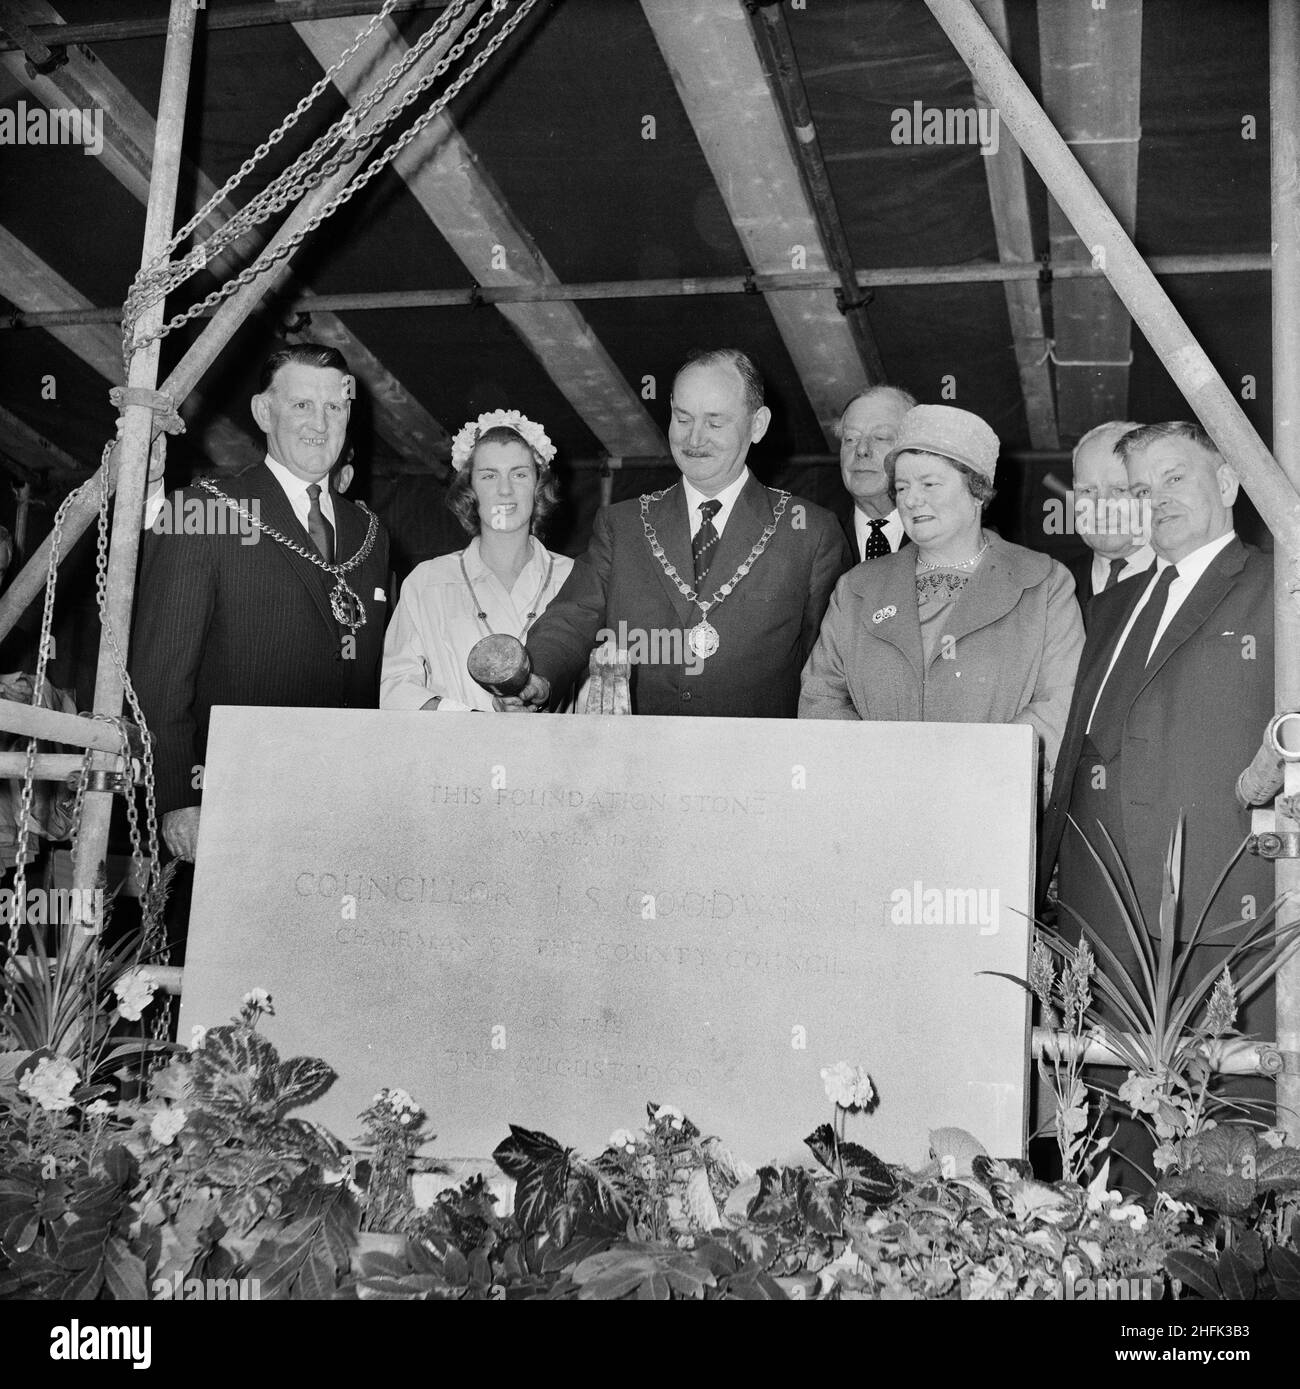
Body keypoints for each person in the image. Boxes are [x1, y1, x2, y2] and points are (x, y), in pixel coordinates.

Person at [1040, 421, 1275, 1187]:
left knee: (1225, 1171)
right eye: (1142, 489)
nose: (1156, 500)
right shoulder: (1108, 607)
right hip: (1098, 935)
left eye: (1175, 477)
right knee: (1113, 1170)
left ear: (1230, 482)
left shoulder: (1280, 587)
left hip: (1218, 927)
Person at [132, 342, 391, 862]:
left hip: (343, 804)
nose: (320, 422)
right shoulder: (201, 510)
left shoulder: (371, 530)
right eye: (301, 405)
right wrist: (178, 799)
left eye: (334, 406)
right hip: (232, 798)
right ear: (263, 412)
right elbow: (160, 672)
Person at [504, 348, 850, 717]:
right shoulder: (623, 526)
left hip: (757, 762)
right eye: (683, 418)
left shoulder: (810, 531)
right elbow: (571, 619)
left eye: (715, 423)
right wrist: (536, 678)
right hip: (646, 759)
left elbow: (828, 666)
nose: (694, 439)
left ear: (758, 424)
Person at [799, 404, 1085, 800]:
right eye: (901, 487)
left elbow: (1059, 704)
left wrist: (966, 775)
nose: (911, 500)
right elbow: (821, 696)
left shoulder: (1043, 584)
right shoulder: (857, 588)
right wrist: (877, 773)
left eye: (929, 485)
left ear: (977, 491)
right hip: (875, 804)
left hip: (992, 807)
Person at [380, 411, 579, 712]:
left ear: (539, 485)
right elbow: (393, 689)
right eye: (489, 475)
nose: (504, 490)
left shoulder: (576, 579)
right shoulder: (427, 581)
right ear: (469, 489)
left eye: (519, 474)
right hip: (457, 753)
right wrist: (471, 722)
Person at [1065, 421, 1153, 626]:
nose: (1100, 507)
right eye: (1087, 491)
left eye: (1120, 490)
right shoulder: (1056, 585)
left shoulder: (1194, 580)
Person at [835, 384, 917, 562]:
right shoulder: (819, 534)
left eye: (880, 437)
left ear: (913, 450)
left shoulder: (947, 534)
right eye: (850, 439)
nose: (862, 449)